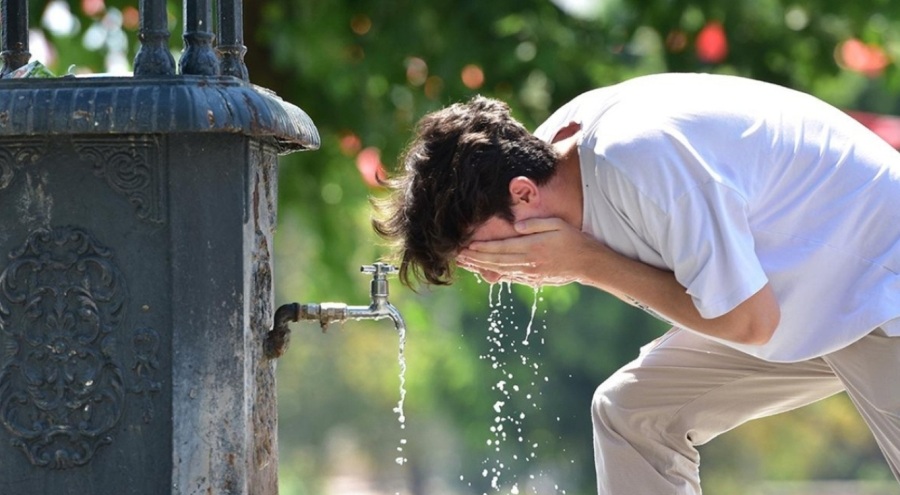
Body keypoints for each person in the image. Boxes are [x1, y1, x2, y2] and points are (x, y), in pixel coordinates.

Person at [372, 72, 900, 494]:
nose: (490, 272)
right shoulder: (561, 157)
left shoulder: (641, 159)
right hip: (793, 295)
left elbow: (750, 322)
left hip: (877, 278)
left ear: (525, 194)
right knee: (632, 414)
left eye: (482, 249)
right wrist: (584, 260)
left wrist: (588, 263)